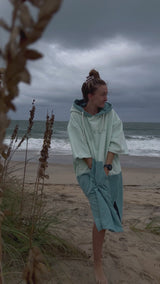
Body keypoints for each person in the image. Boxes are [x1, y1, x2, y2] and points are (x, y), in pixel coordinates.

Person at [67, 69, 128, 284]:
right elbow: (80, 148)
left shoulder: (111, 113)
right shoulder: (76, 118)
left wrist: (107, 167)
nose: (106, 98)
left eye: (107, 93)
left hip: (110, 170)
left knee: (110, 213)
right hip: (87, 171)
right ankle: (98, 265)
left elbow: (115, 139)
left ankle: (98, 258)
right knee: (101, 215)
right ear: (90, 96)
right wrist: (96, 171)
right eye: (103, 94)